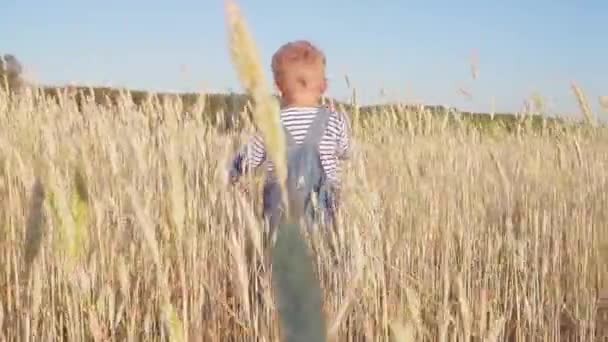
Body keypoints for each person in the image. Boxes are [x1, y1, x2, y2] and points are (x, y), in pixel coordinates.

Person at [228, 40, 351, 232]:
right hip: (323, 210)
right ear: (324, 86)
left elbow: (246, 161)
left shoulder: (271, 124)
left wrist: (231, 174)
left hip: (279, 213)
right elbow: (345, 151)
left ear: (278, 86)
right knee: (326, 250)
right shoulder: (334, 120)